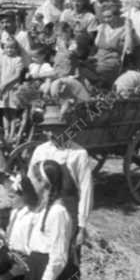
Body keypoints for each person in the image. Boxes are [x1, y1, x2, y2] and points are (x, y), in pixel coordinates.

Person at [28, 106, 92, 260]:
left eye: (55, 129)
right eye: (47, 130)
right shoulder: (40, 151)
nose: (50, 134)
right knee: (42, 253)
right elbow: (30, 181)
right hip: (41, 209)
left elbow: (86, 191)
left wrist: (82, 227)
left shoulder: (78, 154)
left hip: (67, 212)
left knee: (66, 255)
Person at [84, 1, 132, 88]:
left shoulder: (124, 30)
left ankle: (99, 87)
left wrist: (129, 31)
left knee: (96, 70)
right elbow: (96, 46)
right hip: (98, 59)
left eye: (109, 17)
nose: (106, 20)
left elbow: (129, 49)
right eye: (104, 17)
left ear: (117, 15)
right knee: (79, 66)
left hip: (112, 61)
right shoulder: (102, 27)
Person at [0, 34, 25, 141]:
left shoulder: (18, 59)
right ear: (4, 49)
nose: (10, 50)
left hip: (12, 88)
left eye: (12, 48)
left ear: (16, 49)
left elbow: (17, 76)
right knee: (5, 111)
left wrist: (5, 85)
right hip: (2, 88)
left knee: (13, 112)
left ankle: (12, 133)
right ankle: (6, 132)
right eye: (7, 48)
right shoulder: (2, 58)